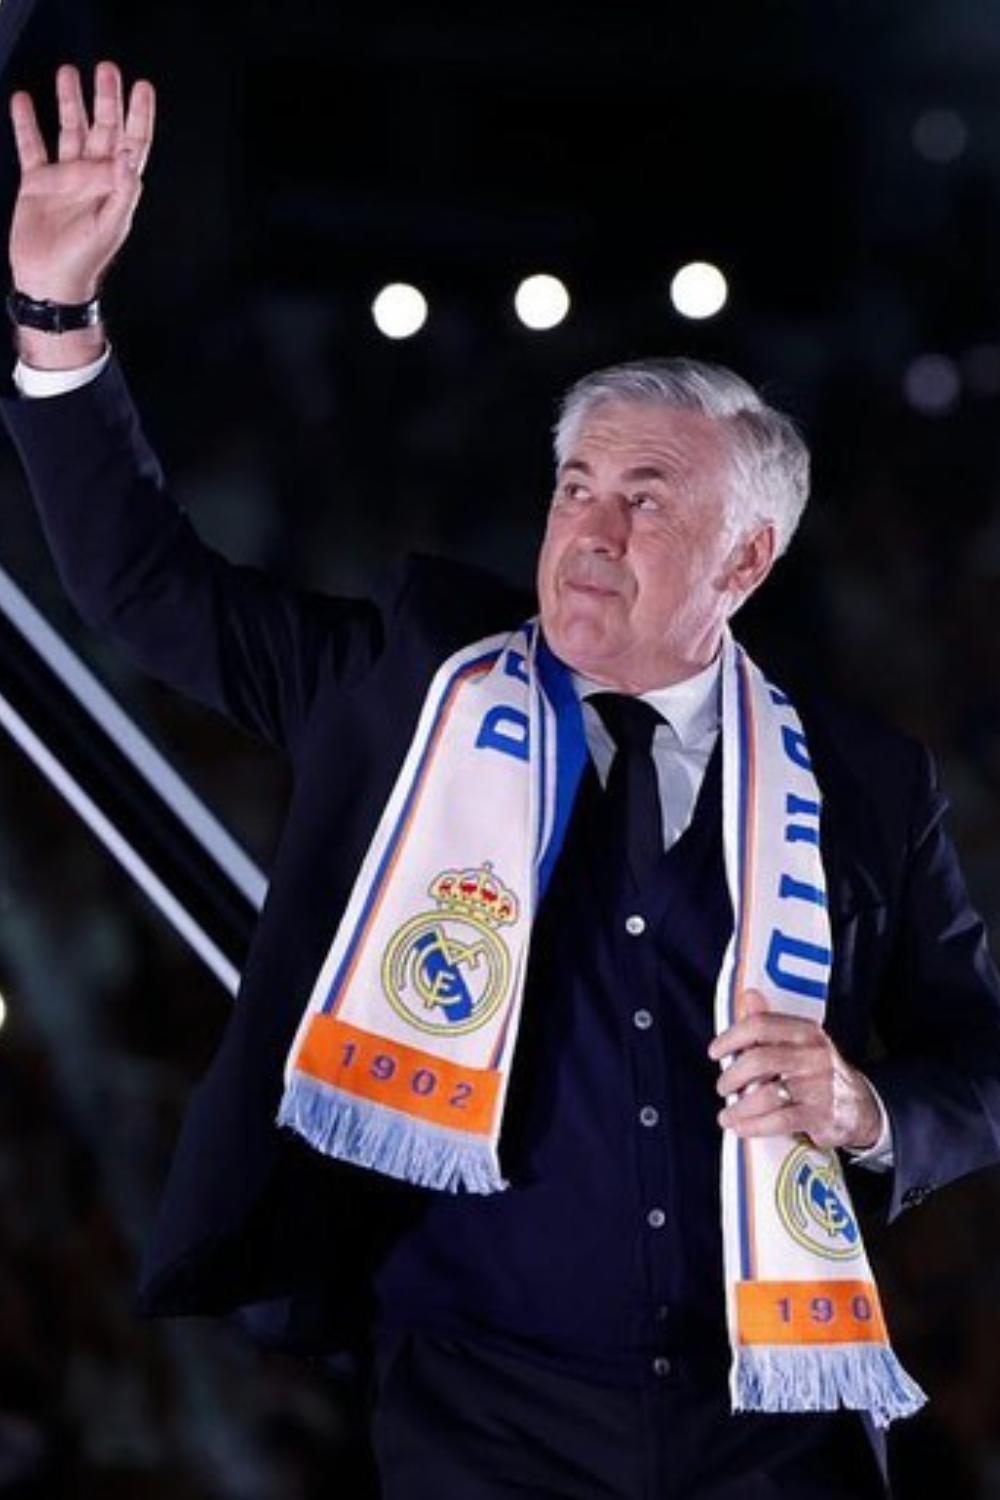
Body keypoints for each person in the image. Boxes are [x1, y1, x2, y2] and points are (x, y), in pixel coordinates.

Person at [4, 60, 1000, 1500]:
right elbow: (143, 583)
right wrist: (54, 315)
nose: (593, 526)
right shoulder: (410, 682)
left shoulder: (868, 781)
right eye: (576, 487)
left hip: (776, 1414)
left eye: (647, 498)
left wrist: (865, 1112)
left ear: (746, 560)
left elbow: (977, 1062)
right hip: (484, 1412)